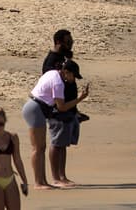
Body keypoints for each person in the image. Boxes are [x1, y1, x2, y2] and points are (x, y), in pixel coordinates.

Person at [22, 59, 87, 189]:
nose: (73, 79)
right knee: (38, 148)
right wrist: (80, 99)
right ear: (66, 72)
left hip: (34, 106)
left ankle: (43, 181)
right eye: (73, 76)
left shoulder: (52, 73)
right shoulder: (59, 83)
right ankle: (38, 182)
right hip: (35, 109)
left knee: (41, 147)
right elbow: (62, 107)